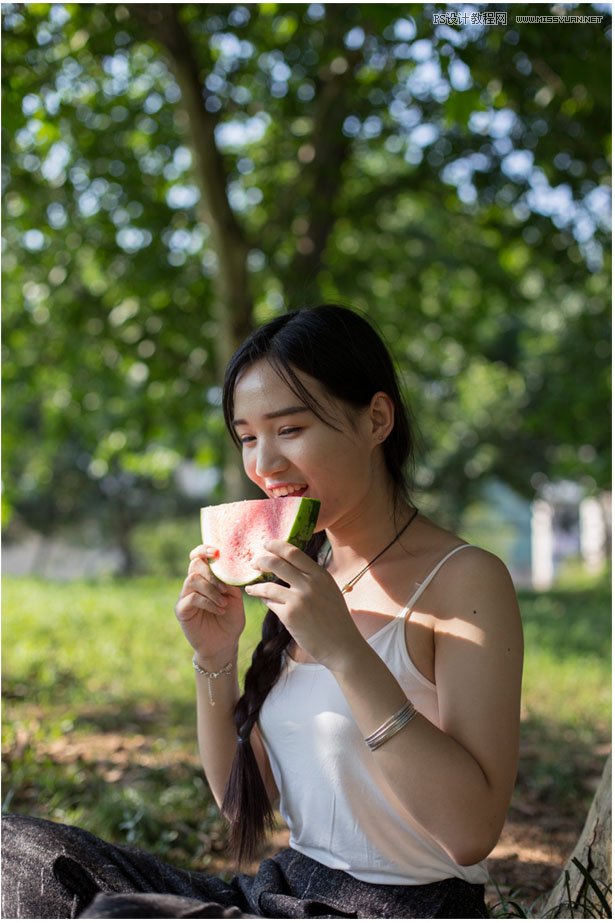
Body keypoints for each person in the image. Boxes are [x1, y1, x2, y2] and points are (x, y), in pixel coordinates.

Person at [2, 304, 523, 919]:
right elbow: (245, 802)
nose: (264, 465)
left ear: (376, 418)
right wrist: (214, 655)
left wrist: (347, 654)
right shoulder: (307, 569)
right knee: (15, 849)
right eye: (248, 437)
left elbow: (469, 833)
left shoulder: (466, 580)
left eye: (290, 429)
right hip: (281, 894)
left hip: (406, 907)